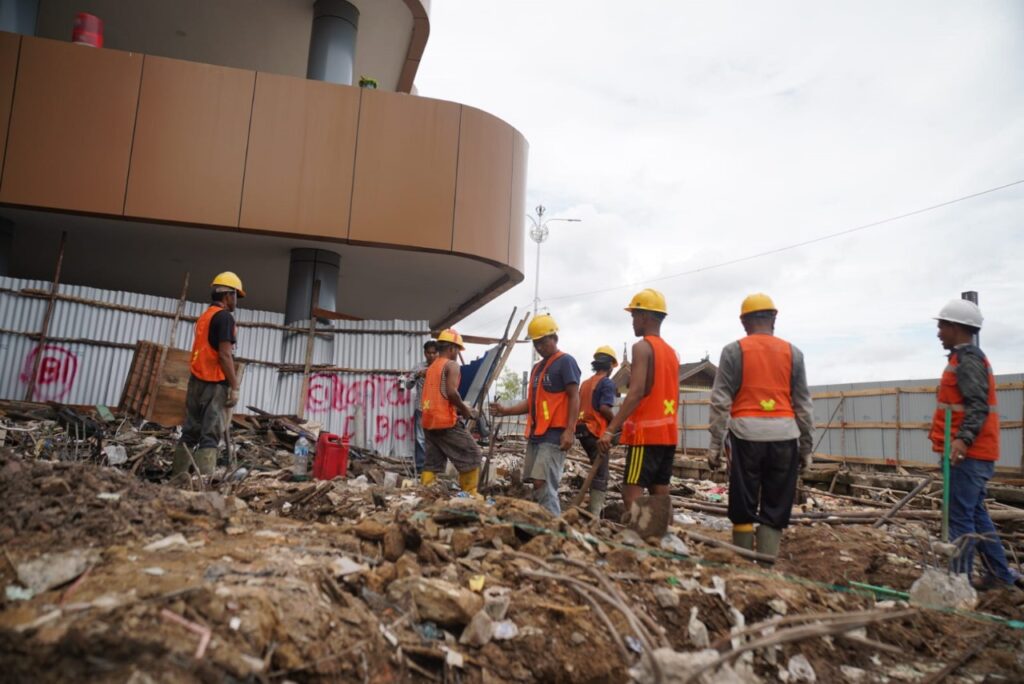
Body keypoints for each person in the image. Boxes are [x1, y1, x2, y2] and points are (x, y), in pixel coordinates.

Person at [707, 293, 813, 563]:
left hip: (745, 437)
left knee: (743, 502)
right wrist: (806, 448)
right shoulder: (794, 353)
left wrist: (715, 446)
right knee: (776, 503)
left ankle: (743, 565)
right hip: (785, 436)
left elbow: (720, 402)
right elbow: (803, 405)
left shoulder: (733, 351)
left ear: (744, 322)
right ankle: (765, 567)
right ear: (774, 318)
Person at [930, 298, 1022, 590]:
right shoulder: (964, 359)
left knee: (960, 519)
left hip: (969, 456)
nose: (938, 332)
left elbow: (978, 406)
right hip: (972, 454)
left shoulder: (968, 360)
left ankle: (960, 582)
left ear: (955, 327)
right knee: (976, 516)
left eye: (942, 326)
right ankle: (1000, 576)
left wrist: (962, 440)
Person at [599, 290, 679, 517]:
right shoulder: (672, 353)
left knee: (630, 491)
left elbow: (636, 392)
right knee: (659, 490)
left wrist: (610, 429)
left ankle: (642, 538)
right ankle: (664, 537)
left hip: (646, 434)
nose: (633, 322)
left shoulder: (642, 347)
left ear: (645, 317)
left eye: (634, 316)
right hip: (668, 434)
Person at [491, 314, 580, 515]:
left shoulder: (566, 362)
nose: (539, 347)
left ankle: (554, 527)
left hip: (555, 433)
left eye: (543, 341)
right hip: (537, 434)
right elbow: (532, 403)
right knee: (536, 482)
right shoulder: (537, 368)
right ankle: (543, 521)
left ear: (554, 338)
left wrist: (570, 430)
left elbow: (575, 396)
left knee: (543, 482)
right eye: (536, 343)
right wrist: (505, 411)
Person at [173, 272, 244, 475]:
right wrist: (235, 386)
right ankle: (203, 484)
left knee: (190, 432)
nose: (236, 301)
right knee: (210, 436)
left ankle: (177, 479)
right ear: (227, 295)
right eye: (236, 295)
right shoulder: (225, 318)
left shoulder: (205, 316)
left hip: (196, 381)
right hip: (213, 384)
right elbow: (224, 355)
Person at [420, 329, 482, 495]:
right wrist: (464, 409)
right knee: (473, 454)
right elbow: (451, 392)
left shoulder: (432, 367)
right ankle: (470, 494)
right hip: (445, 421)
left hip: (428, 421)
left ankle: (425, 492)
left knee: (433, 462)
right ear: (452, 348)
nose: (457, 354)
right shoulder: (451, 365)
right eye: (457, 350)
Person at [576, 346, 619, 515]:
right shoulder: (606, 383)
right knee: (601, 473)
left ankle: (592, 509)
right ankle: (595, 514)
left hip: (581, 430)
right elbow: (604, 409)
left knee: (597, 467)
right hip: (595, 431)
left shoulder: (585, 384)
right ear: (610, 366)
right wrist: (617, 424)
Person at [408, 340, 439, 473]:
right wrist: (416, 375)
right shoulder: (418, 367)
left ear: (438, 353)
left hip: (438, 410)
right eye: (429, 353)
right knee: (420, 439)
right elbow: (408, 386)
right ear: (424, 353)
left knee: (437, 439)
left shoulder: (442, 367)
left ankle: (435, 468)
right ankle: (421, 468)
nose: (431, 356)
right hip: (421, 408)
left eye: (434, 353)